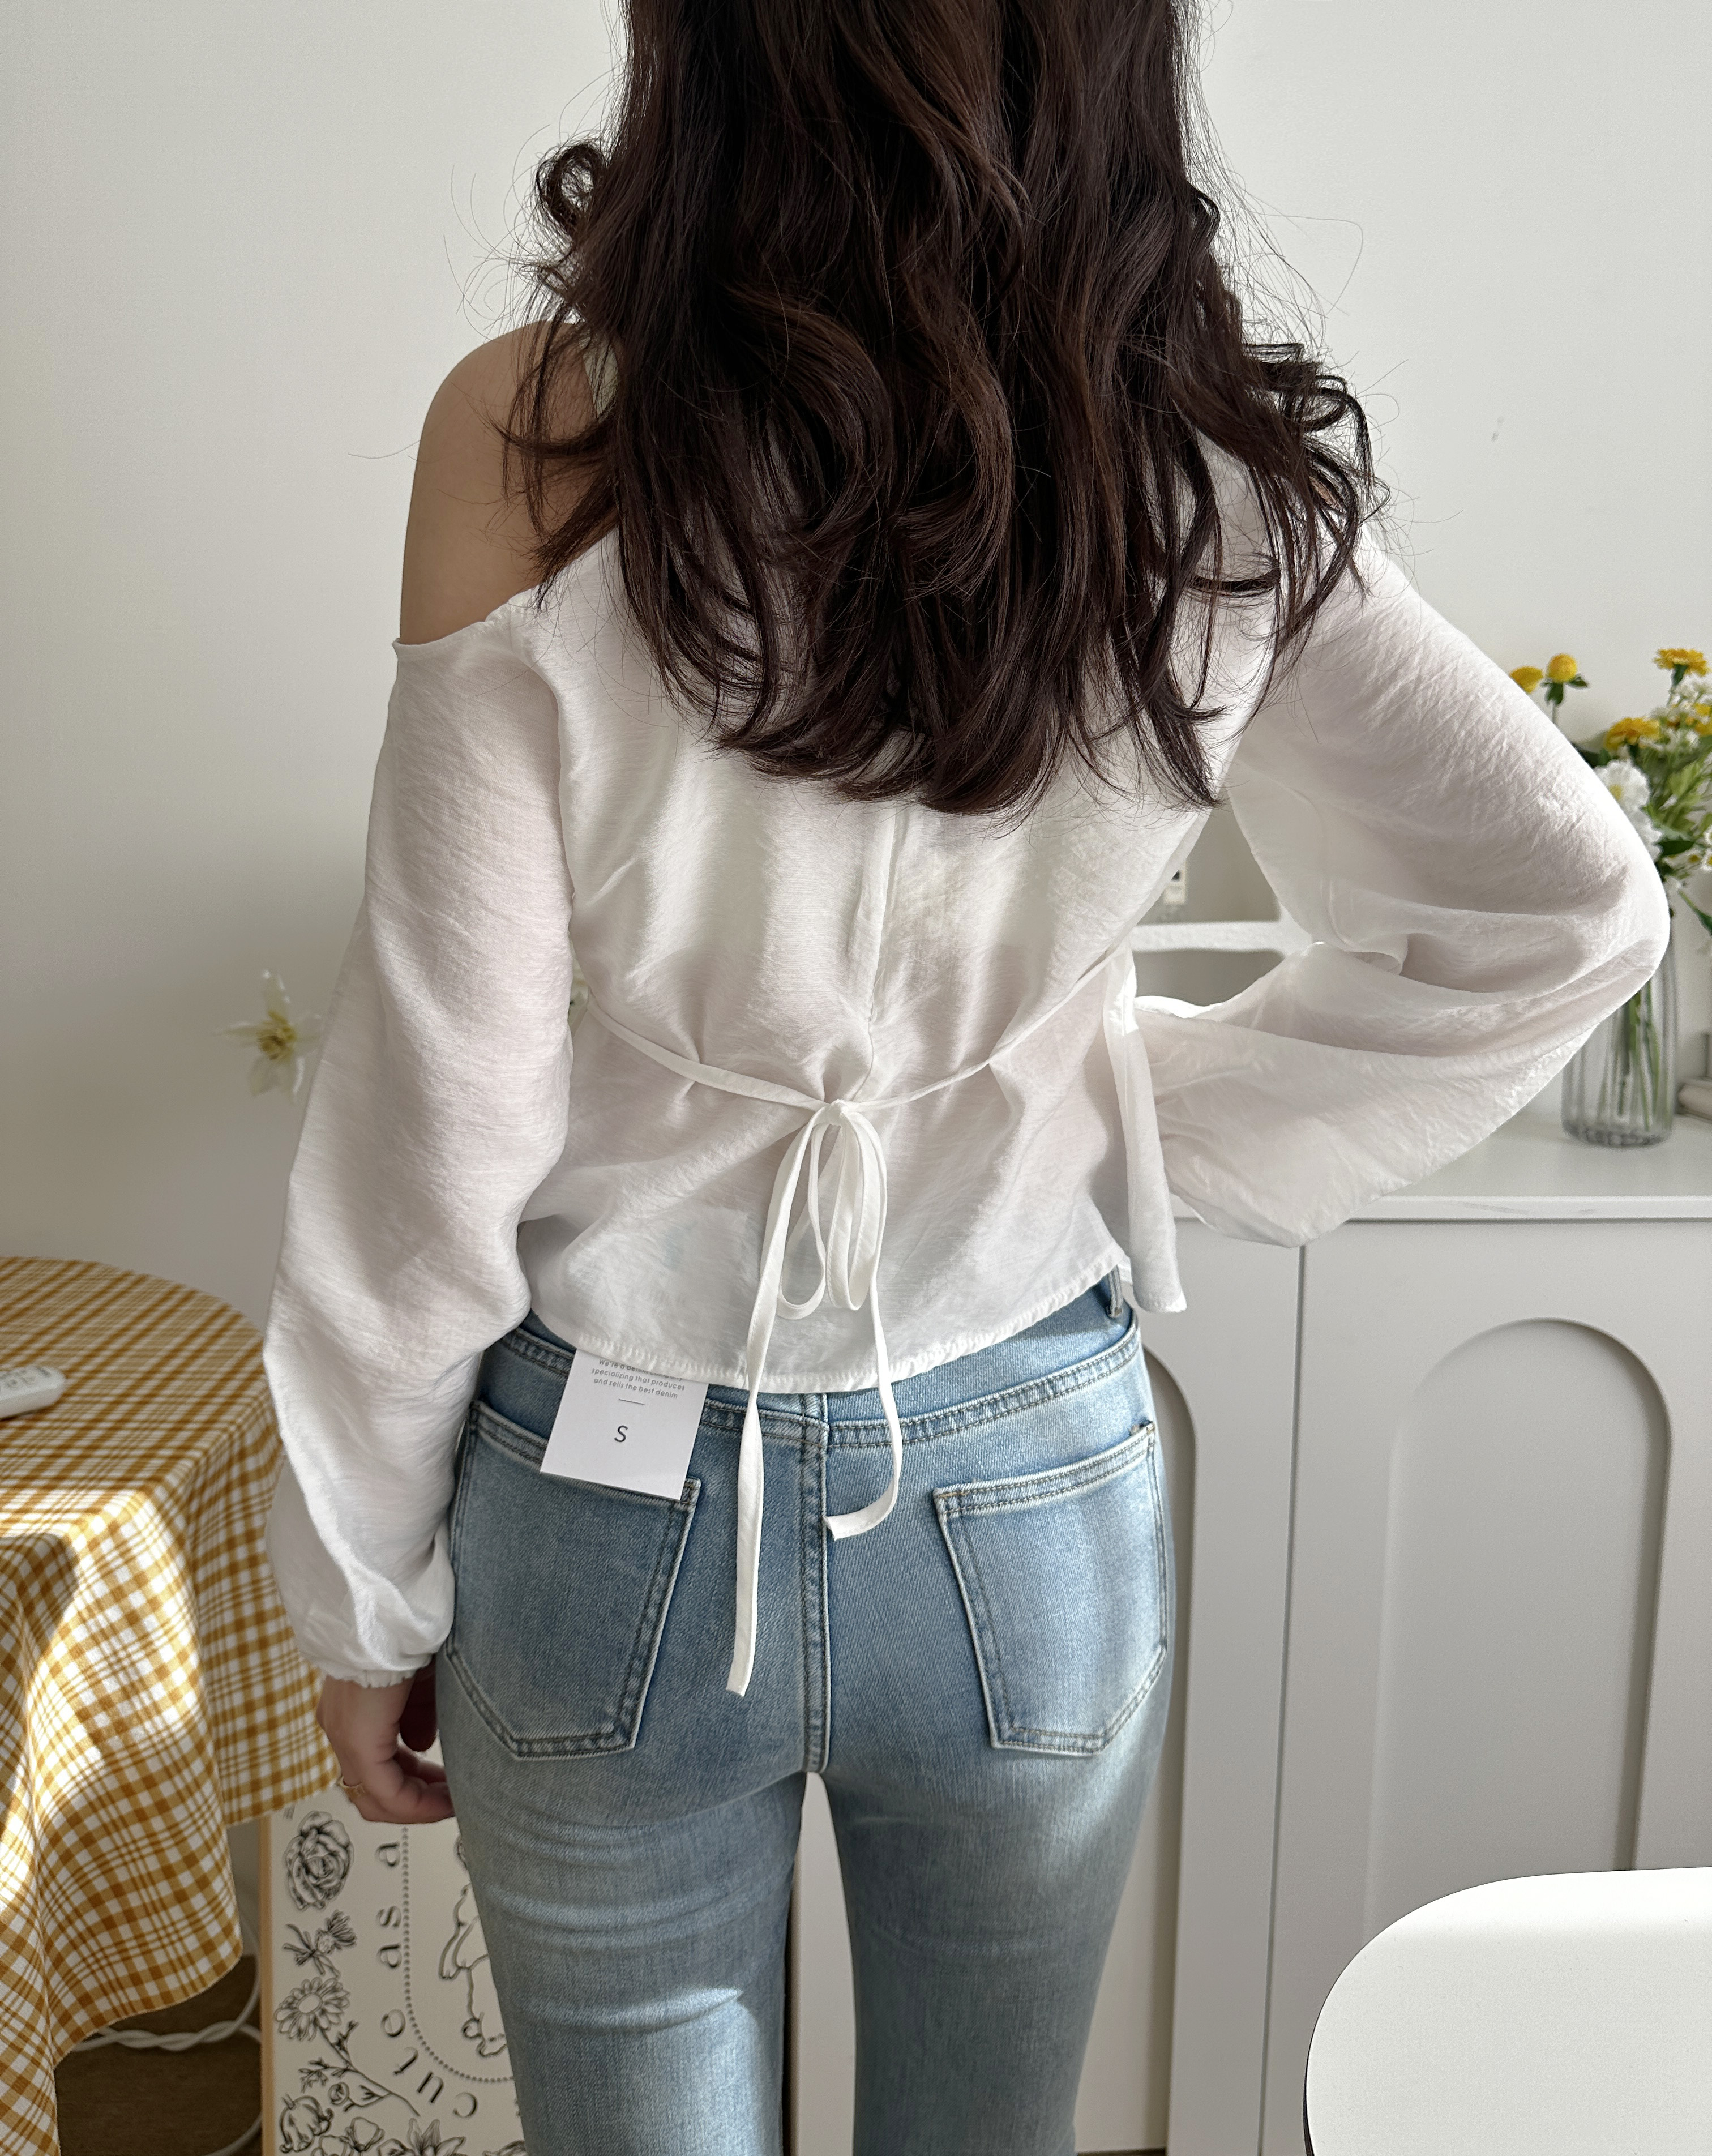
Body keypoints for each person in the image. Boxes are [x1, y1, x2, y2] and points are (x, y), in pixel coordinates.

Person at [260, 3, 1670, 2150]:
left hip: (607, 1491)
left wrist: (363, 1590)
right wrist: (1127, 1123)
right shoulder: (1199, 475)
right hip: (1023, 1469)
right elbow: (1567, 909)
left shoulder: (545, 433)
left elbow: (440, 1097)